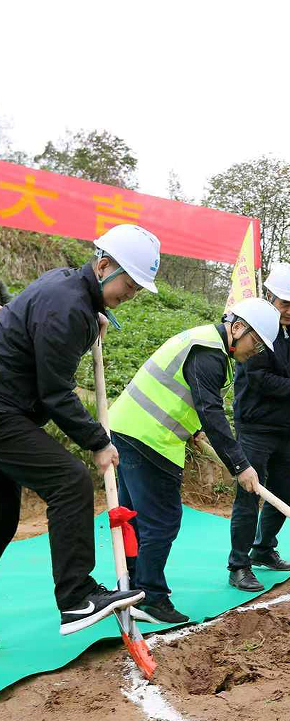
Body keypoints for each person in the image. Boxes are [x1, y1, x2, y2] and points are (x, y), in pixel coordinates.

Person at [0, 224, 161, 635]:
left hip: (12, 407)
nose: (132, 294)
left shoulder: (70, 290)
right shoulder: (69, 307)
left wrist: (92, 322)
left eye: (138, 289)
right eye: (129, 284)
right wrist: (98, 441)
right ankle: (76, 598)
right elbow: (55, 392)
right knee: (70, 481)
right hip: (4, 409)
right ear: (104, 266)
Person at [108, 298, 278, 624]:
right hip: (149, 438)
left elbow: (186, 397)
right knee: (161, 521)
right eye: (255, 343)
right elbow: (210, 410)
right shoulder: (208, 352)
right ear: (237, 328)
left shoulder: (205, 343)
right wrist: (241, 465)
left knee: (135, 517)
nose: (254, 352)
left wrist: (194, 430)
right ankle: (150, 597)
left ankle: (130, 588)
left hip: (128, 428)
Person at [226, 264, 290, 591]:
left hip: (287, 428)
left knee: (282, 493)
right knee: (249, 493)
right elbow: (259, 379)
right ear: (270, 297)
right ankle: (239, 565)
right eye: (286, 304)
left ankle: (263, 548)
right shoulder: (256, 330)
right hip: (255, 426)